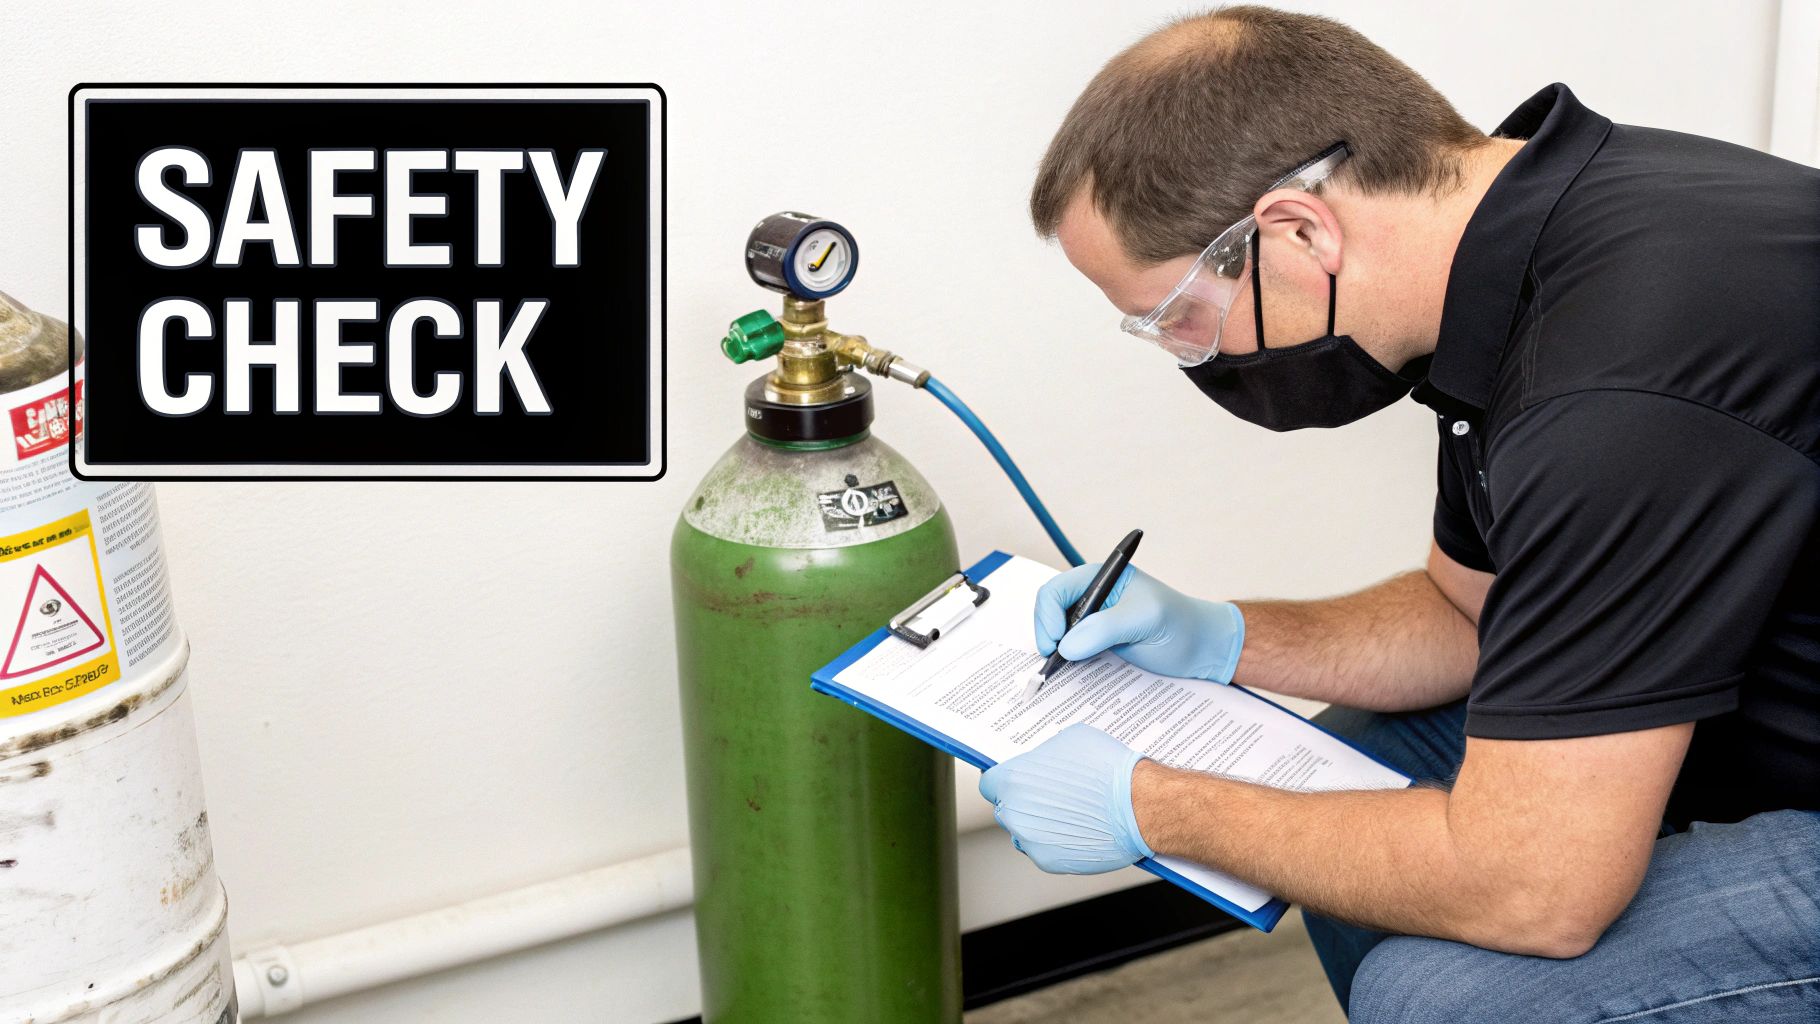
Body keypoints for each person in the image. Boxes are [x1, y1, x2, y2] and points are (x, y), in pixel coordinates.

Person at [979, 6, 1820, 1022]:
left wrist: (1154, 806)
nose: (1191, 357)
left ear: (1295, 232)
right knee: (1365, 758)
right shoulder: (1528, 250)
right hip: (1755, 703)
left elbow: (1535, 891)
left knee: (1448, 993)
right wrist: (1219, 637)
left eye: (1179, 318)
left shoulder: (1610, 388)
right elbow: (1462, 612)